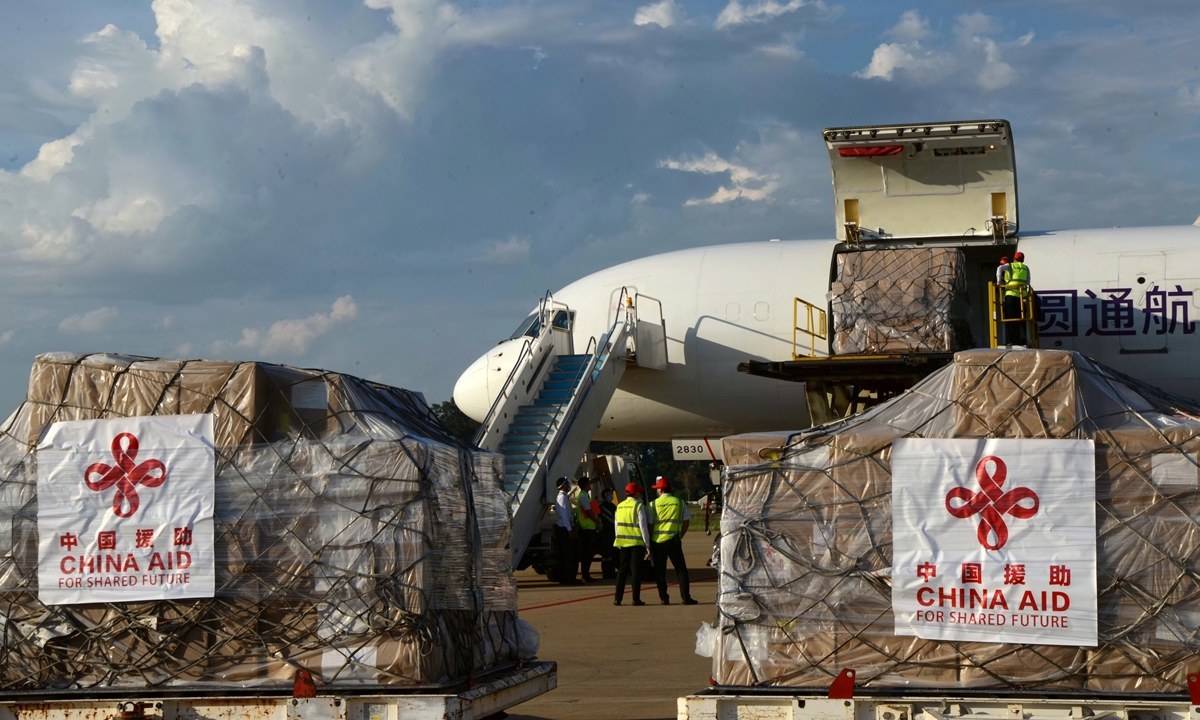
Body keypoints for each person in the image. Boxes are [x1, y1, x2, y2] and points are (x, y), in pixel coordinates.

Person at [649, 477, 698, 605]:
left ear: (660, 490)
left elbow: (649, 524)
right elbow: (686, 521)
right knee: (681, 570)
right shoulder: (679, 502)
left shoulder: (652, 504)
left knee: (660, 572)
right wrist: (680, 535)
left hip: (657, 542)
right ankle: (685, 597)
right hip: (673, 540)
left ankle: (664, 598)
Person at [613, 482, 650, 606]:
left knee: (622, 570)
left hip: (623, 542)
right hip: (636, 543)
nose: (640, 493)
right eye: (638, 491)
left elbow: (616, 526)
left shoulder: (620, 506)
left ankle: (617, 598)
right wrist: (647, 545)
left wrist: (618, 540)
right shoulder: (638, 506)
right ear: (635, 493)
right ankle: (636, 598)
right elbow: (643, 526)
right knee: (636, 571)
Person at [572, 476, 600, 582]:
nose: (590, 485)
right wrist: (597, 522)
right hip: (586, 529)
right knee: (587, 553)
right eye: (589, 483)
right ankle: (585, 575)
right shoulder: (583, 496)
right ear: (585, 485)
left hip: (589, 528)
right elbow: (588, 511)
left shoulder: (585, 496)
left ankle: (586, 574)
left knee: (588, 553)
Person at [553, 476, 580, 585]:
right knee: (569, 556)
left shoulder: (563, 497)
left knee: (565, 555)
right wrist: (570, 530)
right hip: (564, 529)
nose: (568, 485)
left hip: (564, 528)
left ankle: (565, 578)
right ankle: (569, 578)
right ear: (563, 485)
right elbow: (564, 516)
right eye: (567, 484)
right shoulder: (562, 498)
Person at [1002, 251, 1031, 345]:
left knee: (1010, 319)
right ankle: (1019, 339)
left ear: (1014, 258)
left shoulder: (1010, 266)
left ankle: (1013, 340)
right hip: (1021, 296)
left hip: (1010, 295)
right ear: (1022, 260)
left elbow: (999, 268)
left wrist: (998, 281)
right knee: (1019, 318)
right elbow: (1027, 282)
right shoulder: (1025, 268)